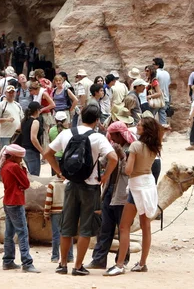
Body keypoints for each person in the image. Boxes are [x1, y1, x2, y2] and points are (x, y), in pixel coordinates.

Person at [44, 104, 118, 276]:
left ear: (81, 116)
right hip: (91, 186)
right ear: (97, 120)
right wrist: (105, 176)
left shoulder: (66, 133)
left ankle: (62, 264)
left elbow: (48, 153)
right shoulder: (98, 138)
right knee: (86, 227)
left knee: (67, 225)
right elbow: (113, 158)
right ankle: (78, 266)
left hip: (71, 184)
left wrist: (60, 171)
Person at [105, 117, 162, 276]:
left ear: (144, 129)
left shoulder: (135, 146)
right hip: (148, 185)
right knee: (146, 226)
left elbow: (128, 170)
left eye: (139, 125)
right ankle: (142, 263)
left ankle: (120, 264)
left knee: (124, 226)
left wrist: (123, 157)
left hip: (136, 186)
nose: (136, 126)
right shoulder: (154, 146)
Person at [86, 121, 133, 270]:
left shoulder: (132, 149)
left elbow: (129, 172)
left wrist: (122, 157)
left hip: (123, 194)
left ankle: (122, 260)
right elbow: (103, 164)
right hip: (109, 192)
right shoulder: (112, 147)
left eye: (113, 136)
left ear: (120, 135)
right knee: (105, 228)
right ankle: (99, 259)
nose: (111, 139)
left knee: (123, 229)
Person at [0, 144, 40, 273]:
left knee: (9, 233)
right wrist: (22, 170)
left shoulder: (5, 166)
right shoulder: (15, 167)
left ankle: (8, 260)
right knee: (23, 232)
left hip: (7, 201)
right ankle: (27, 262)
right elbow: (26, 183)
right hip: (16, 201)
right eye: (19, 158)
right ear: (14, 157)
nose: (21, 160)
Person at [44, 175, 74, 263]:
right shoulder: (70, 184)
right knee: (68, 234)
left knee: (56, 235)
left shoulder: (52, 184)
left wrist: (46, 213)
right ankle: (70, 256)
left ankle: (55, 257)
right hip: (68, 211)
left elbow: (48, 200)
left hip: (55, 213)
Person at [0, 85, 24, 151]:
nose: (11, 94)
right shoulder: (1, 105)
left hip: (16, 135)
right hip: (6, 135)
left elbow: (22, 118)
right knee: (7, 154)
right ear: (5, 93)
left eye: (12, 92)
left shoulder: (17, 105)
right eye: (9, 92)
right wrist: (7, 120)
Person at [21, 102, 45, 175]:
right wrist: (42, 151)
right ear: (37, 110)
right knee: (35, 175)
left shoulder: (24, 120)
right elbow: (33, 138)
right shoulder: (35, 122)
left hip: (24, 149)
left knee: (31, 174)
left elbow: (18, 130)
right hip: (32, 150)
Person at [49, 111, 67, 176]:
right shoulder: (67, 131)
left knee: (54, 178)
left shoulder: (51, 130)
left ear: (55, 120)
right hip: (64, 157)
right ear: (65, 120)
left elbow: (51, 142)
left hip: (55, 156)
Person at [153, 58, 171, 125]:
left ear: (157, 65)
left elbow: (153, 84)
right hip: (166, 97)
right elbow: (168, 85)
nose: (152, 66)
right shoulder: (167, 73)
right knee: (162, 116)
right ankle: (163, 132)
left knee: (151, 115)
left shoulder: (156, 73)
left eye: (153, 64)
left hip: (157, 98)